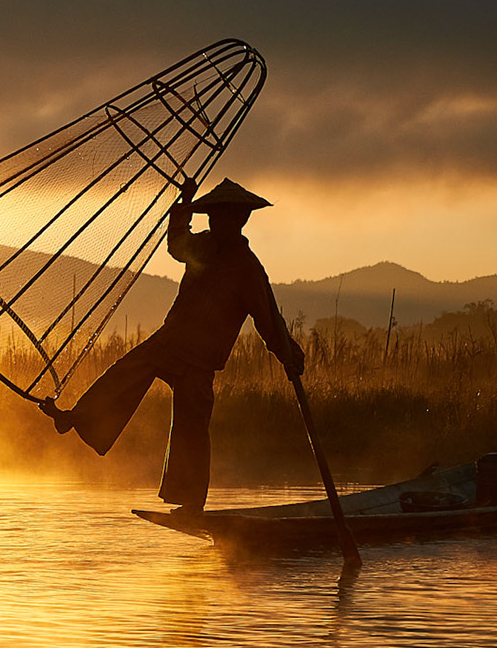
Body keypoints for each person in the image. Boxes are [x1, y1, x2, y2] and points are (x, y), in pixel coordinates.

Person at [39, 177, 304, 515]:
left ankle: (192, 502)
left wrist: (289, 356)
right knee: (124, 372)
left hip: (201, 358)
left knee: (192, 427)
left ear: (238, 220)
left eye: (221, 218)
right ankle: (78, 418)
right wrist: (183, 205)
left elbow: (269, 321)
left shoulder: (248, 268)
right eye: (211, 217)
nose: (215, 223)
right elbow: (177, 245)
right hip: (171, 339)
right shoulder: (204, 247)